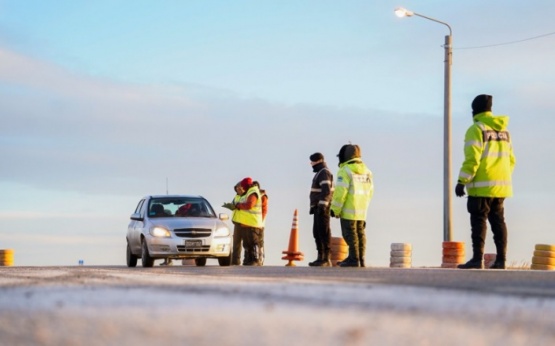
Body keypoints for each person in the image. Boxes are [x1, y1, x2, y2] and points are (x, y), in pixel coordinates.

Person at [455, 94, 516, 270]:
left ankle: (476, 259)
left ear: (474, 111)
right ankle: (501, 260)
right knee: (498, 222)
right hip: (501, 186)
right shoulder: (505, 131)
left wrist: (462, 181)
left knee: (478, 221)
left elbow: (472, 159)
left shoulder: (476, 129)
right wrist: (502, 176)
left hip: (481, 186)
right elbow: (511, 160)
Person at [330, 144, 374, 267]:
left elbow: (340, 192)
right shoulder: (367, 171)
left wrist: (335, 209)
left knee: (349, 234)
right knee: (360, 234)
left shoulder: (345, 171)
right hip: (362, 211)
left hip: (349, 210)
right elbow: (370, 192)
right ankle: (360, 258)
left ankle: (354, 259)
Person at [308, 152, 334, 267]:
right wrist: (314, 207)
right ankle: (320, 257)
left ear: (318, 161)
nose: (311, 164)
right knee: (317, 232)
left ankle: (326, 258)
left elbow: (326, 190)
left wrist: (323, 205)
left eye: (312, 162)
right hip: (318, 208)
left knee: (323, 232)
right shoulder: (320, 172)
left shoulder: (324, 173)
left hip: (323, 208)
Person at [234, 177, 264, 266]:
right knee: (247, 243)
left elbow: (250, 205)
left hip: (253, 223)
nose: (242, 188)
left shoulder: (253, 192)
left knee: (254, 243)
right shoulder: (249, 192)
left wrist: (239, 205)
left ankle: (255, 259)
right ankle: (249, 260)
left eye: (243, 186)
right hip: (247, 223)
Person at [228, 182, 245, 266]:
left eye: (239, 188)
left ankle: (247, 260)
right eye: (237, 189)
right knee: (236, 243)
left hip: (245, 223)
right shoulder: (236, 196)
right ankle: (235, 261)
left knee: (246, 244)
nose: (238, 190)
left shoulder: (246, 196)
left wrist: (238, 206)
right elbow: (233, 205)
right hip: (237, 223)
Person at [252, 181, 268, 265]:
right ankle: (256, 258)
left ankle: (260, 259)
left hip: (260, 224)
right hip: (254, 223)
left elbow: (264, 210)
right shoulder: (252, 195)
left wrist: (260, 221)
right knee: (255, 242)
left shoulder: (262, 196)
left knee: (260, 242)